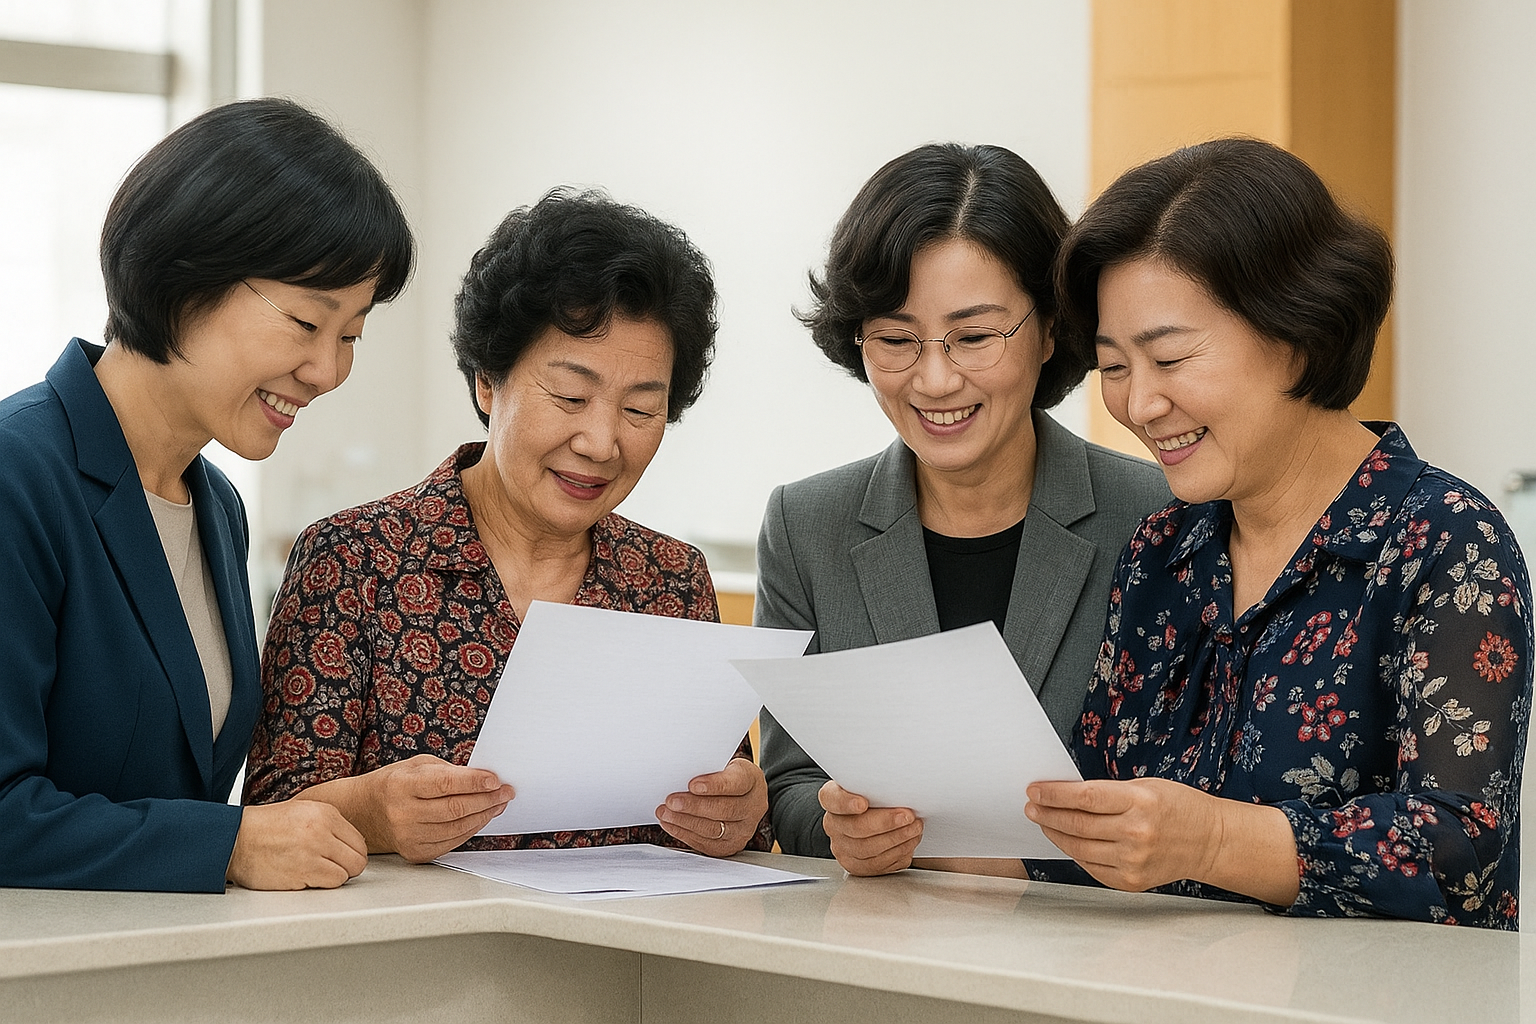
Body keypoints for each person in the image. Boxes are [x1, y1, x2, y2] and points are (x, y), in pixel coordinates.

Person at [1025, 137, 1531, 929]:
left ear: (1298, 331)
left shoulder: (1444, 541)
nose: (1140, 405)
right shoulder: (1161, 549)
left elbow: (1458, 852)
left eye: (1170, 357)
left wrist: (1214, 838)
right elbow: (1098, 817)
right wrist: (910, 832)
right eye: (1115, 367)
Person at [244, 190, 772, 862]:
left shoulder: (671, 580)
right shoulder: (353, 560)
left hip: (630, 961)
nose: (602, 442)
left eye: (641, 410)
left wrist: (738, 809)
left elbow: (734, 817)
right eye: (571, 397)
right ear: (488, 381)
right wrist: (370, 814)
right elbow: (269, 814)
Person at [0, 98, 415, 892]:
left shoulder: (216, 507)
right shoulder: (18, 474)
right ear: (185, 276)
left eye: (352, 336)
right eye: (306, 322)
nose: (327, 371)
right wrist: (225, 845)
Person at [756, 143, 1171, 875]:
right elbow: (787, 782)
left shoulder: (1157, 515)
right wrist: (839, 829)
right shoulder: (805, 525)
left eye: (974, 337)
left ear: (1048, 330)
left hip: (1096, 960)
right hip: (886, 955)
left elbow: (1188, 788)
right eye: (896, 339)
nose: (936, 378)